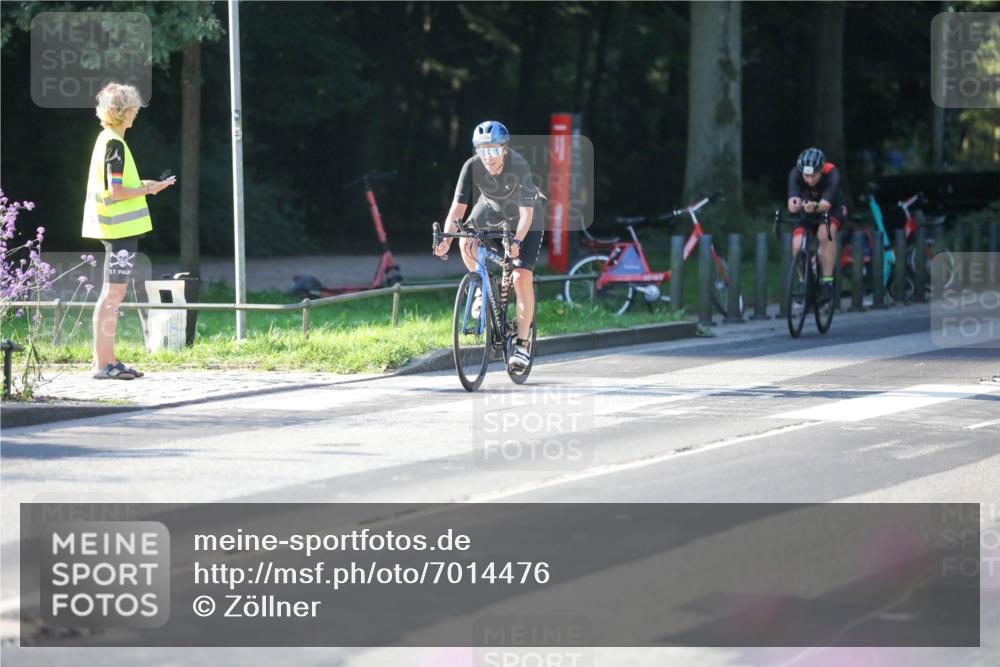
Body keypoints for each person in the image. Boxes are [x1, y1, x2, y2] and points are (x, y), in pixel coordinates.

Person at [82, 82, 176, 380]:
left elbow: (116, 188)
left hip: (115, 228)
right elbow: (117, 192)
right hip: (118, 229)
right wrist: (148, 189)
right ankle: (102, 364)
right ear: (123, 112)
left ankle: (106, 360)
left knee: (113, 294)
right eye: (133, 108)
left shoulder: (106, 140)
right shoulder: (115, 145)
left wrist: (146, 186)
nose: (137, 113)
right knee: (112, 295)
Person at [434, 121, 543, 371]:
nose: (489, 158)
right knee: (467, 241)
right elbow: (457, 211)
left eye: (494, 151)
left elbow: (527, 215)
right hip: (491, 210)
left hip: (525, 219)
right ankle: (483, 287)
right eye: (483, 151)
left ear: (504, 150)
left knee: (520, 276)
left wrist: (516, 242)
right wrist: (446, 239)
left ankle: (522, 345)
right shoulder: (471, 167)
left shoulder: (519, 165)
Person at [787, 147, 847, 304]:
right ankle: (804, 281)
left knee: (824, 235)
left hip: (832, 207)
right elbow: (792, 201)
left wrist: (814, 206)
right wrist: (794, 203)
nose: (810, 180)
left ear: (821, 170)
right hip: (808, 209)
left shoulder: (832, 173)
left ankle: (827, 282)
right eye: (806, 176)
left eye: (813, 175)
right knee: (797, 244)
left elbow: (825, 205)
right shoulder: (795, 173)